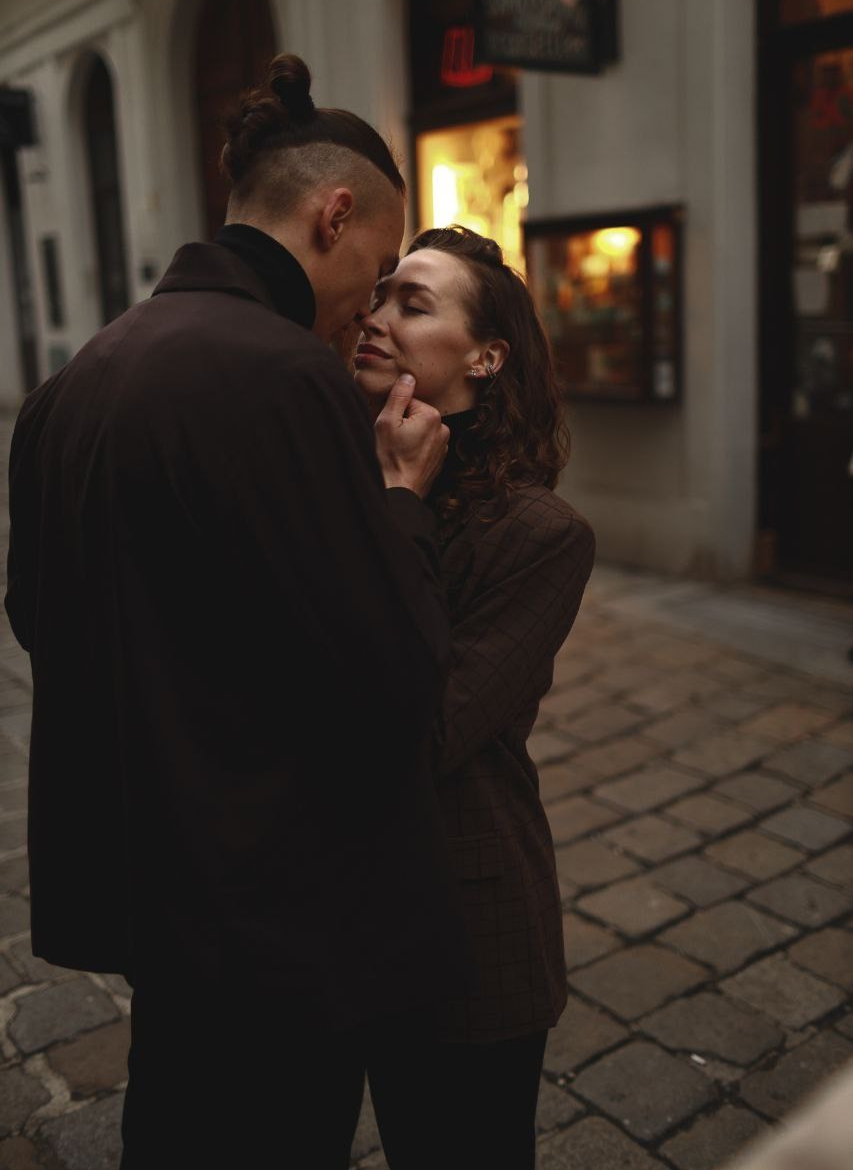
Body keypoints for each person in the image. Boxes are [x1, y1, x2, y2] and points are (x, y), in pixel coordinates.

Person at [4, 56, 471, 1168]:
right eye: (379, 262)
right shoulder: (281, 374)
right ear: (334, 213)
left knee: (175, 1124)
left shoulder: (77, 380)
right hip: (273, 899)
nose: (372, 292)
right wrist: (402, 501)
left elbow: (34, 614)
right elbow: (397, 664)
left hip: (150, 880)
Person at [352, 225, 595, 1170]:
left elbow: (430, 728)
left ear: (486, 356)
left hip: (468, 916)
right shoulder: (348, 468)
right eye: (380, 296)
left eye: (414, 304)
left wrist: (400, 506)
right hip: (353, 904)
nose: (377, 318)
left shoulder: (539, 534)